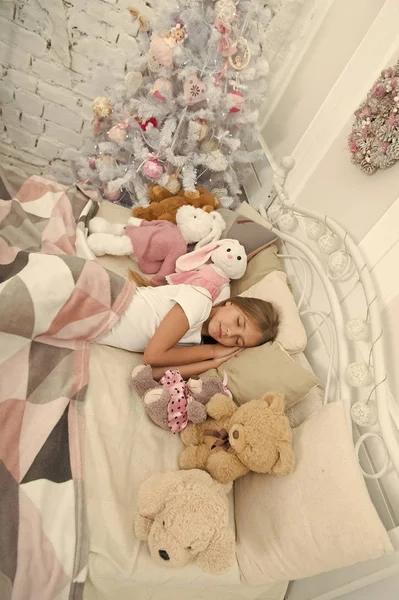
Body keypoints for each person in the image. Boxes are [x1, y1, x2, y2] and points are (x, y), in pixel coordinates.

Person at [97, 281, 279, 380]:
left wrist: (214, 363)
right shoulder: (200, 301)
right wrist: (212, 351)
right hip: (99, 296)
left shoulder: (195, 345)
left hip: (93, 323)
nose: (230, 333)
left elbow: (153, 373)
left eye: (238, 341)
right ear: (232, 303)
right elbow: (152, 356)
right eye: (239, 322)